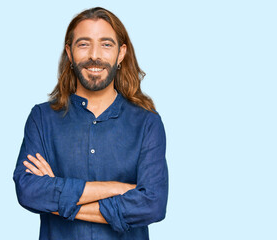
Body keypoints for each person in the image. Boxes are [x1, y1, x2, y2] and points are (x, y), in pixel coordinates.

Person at [13, 7, 168, 240]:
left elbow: (152, 205)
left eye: (106, 44)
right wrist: (117, 188)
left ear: (121, 53)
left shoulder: (147, 122)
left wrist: (59, 196)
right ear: (69, 51)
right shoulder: (42, 118)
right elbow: (29, 191)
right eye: (84, 44)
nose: (95, 55)